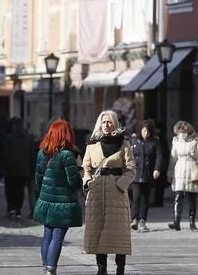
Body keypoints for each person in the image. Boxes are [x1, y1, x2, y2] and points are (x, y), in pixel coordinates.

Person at [83, 110, 136, 275]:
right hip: (97, 191)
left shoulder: (124, 144)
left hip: (116, 192)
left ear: (115, 124)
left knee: (119, 232)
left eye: (109, 122)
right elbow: (86, 167)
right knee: (97, 229)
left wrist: (121, 184)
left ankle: (120, 269)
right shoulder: (92, 144)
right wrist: (87, 181)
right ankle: (102, 268)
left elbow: (131, 169)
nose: (106, 125)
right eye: (103, 122)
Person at [33, 120, 83, 275]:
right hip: (63, 204)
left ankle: (46, 266)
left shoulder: (42, 153)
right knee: (58, 236)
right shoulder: (67, 155)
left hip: (46, 201)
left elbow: (38, 178)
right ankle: (51, 269)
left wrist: (43, 194)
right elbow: (74, 182)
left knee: (47, 234)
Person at [166, 121, 198, 232]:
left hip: (192, 170)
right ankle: (176, 221)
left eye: (183, 132)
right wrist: (169, 173)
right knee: (178, 196)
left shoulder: (196, 140)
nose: (181, 134)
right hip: (179, 170)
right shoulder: (176, 141)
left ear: (188, 131)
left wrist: (195, 153)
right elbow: (173, 158)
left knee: (192, 198)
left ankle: (192, 223)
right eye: (179, 132)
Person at [129, 119, 163, 233]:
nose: (146, 134)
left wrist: (157, 169)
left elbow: (159, 157)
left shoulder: (154, 142)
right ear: (140, 130)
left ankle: (142, 220)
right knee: (136, 197)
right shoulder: (133, 140)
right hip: (135, 173)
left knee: (145, 198)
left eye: (148, 132)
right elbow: (127, 156)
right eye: (144, 131)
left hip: (148, 173)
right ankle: (134, 219)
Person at [2, 117, 35, 219]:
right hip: (24, 170)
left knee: (10, 189)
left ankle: (11, 207)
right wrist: (30, 168)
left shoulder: (9, 138)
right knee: (20, 190)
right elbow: (32, 155)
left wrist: (4, 167)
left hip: (11, 170)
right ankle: (18, 210)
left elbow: (5, 154)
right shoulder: (28, 138)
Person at [153, 121, 169, 207]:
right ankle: (159, 200)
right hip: (164, 164)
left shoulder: (159, 139)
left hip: (161, 164)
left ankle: (158, 201)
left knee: (158, 184)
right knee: (160, 185)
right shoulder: (164, 138)